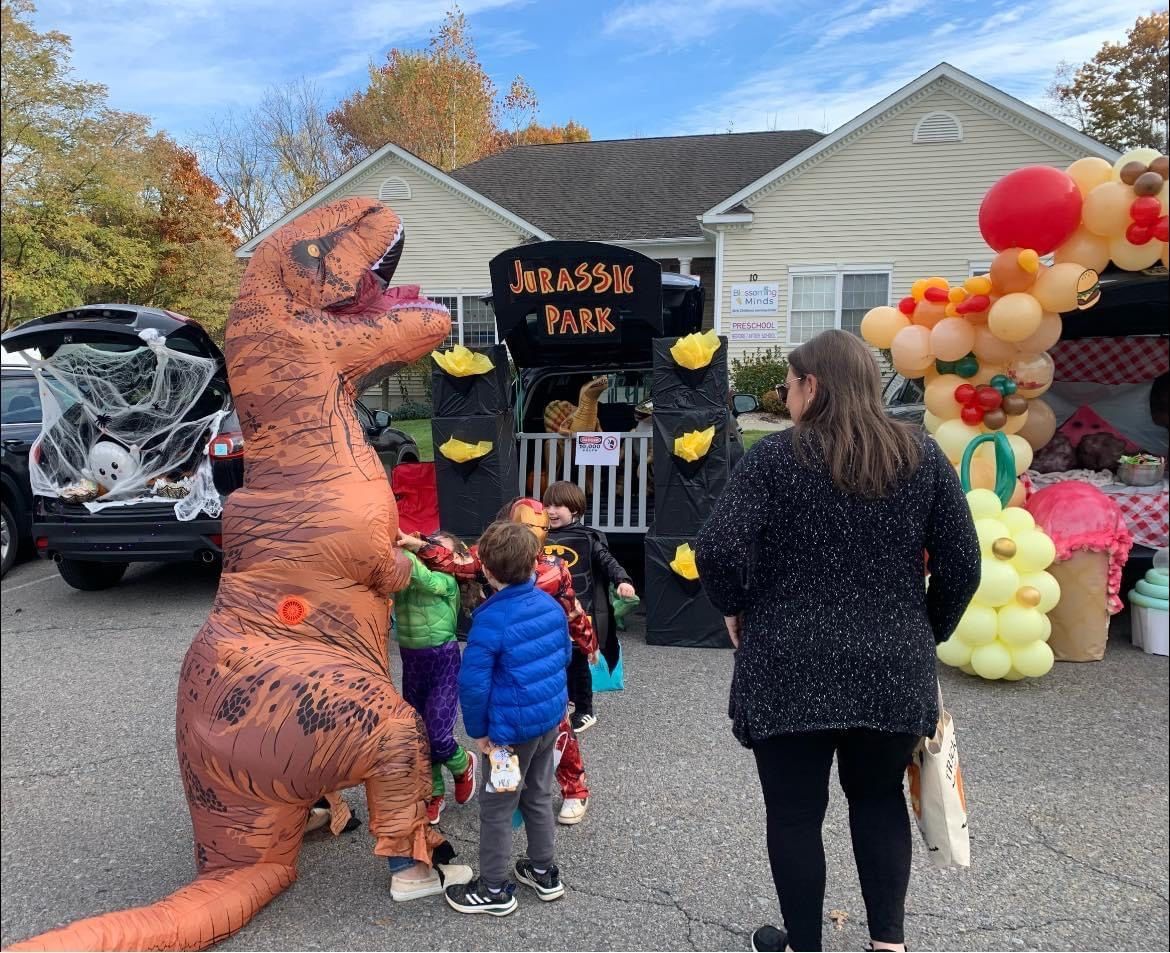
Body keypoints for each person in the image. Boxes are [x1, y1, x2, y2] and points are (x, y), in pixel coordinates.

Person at [695, 329, 981, 953]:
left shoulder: (774, 458)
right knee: (878, 800)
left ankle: (804, 945)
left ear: (813, 385)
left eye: (788, 385)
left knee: (795, 813)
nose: (786, 396)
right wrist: (922, 631)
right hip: (891, 664)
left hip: (786, 660)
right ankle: (888, 943)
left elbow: (715, 549)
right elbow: (963, 564)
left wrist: (735, 607)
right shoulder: (920, 455)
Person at [399, 497, 596, 825]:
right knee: (504, 731)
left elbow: (572, 611)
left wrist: (588, 642)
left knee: (557, 726)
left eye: (540, 525)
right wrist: (418, 544)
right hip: (504, 660)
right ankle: (510, 791)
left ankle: (575, 789)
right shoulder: (490, 556)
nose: (535, 530)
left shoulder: (554, 568)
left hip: (537, 661)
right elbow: (454, 562)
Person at [443, 520, 572, 916]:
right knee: (538, 794)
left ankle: (495, 888)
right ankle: (544, 871)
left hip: (508, 735)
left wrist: (480, 732)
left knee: (498, 807)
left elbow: (474, 684)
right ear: (533, 563)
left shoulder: (490, 620)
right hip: (547, 720)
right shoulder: (550, 605)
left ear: (486, 569)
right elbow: (564, 655)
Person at [392, 534, 481, 826]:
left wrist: (402, 548)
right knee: (419, 734)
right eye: (430, 541)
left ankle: (462, 763)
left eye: (439, 546)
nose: (430, 547)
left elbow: (427, 580)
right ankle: (434, 792)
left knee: (438, 736)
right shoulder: (405, 573)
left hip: (443, 659)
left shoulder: (446, 581)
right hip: (412, 660)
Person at [542, 479, 637, 732]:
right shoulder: (537, 536)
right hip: (546, 611)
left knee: (577, 660)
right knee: (551, 659)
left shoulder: (587, 538)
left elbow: (607, 561)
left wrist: (622, 580)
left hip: (578, 611)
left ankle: (585, 710)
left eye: (558, 506)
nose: (551, 511)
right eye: (547, 505)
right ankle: (563, 702)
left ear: (574, 509)